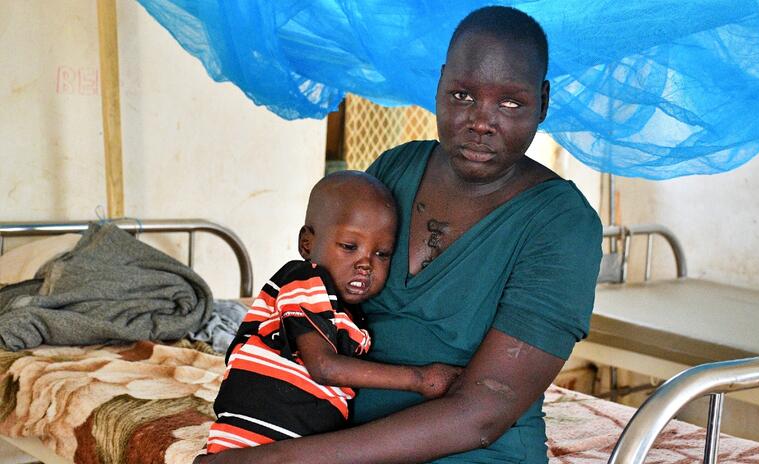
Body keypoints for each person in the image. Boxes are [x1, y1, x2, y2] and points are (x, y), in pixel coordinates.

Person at [195, 5, 602, 463]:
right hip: (331, 427)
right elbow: (325, 300)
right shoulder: (395, 169)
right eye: (463, 95)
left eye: (510, 103)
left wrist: (272, 460)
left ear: (543, 103)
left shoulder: (561, 224)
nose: (481, 121)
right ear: (440, 85)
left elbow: (482, 416)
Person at [205, 170, 462, 453]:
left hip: (299, 447)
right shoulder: (303, 278)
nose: (365, 264)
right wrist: (421, 379)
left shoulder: (352, 315)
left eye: (382, 254)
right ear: (307, 243)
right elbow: (324, 367)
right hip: (251, 446)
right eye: (349, 247)